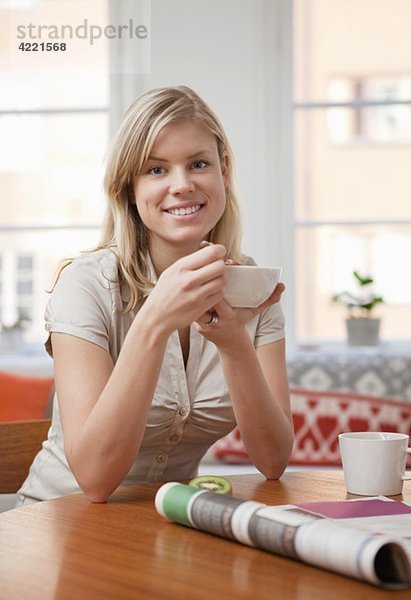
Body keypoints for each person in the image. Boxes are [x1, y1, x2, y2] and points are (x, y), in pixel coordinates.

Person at [16, 85, 294, 506]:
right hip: (57, 524)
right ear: (129, 186)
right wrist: (154, 321)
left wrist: (235, 343)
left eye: (198, 164)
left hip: (167, 526)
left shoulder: (252, 288)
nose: (181, 185)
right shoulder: (86, 285)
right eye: (156, 170)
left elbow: (273, 461)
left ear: (224, 169)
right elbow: (94, 479)